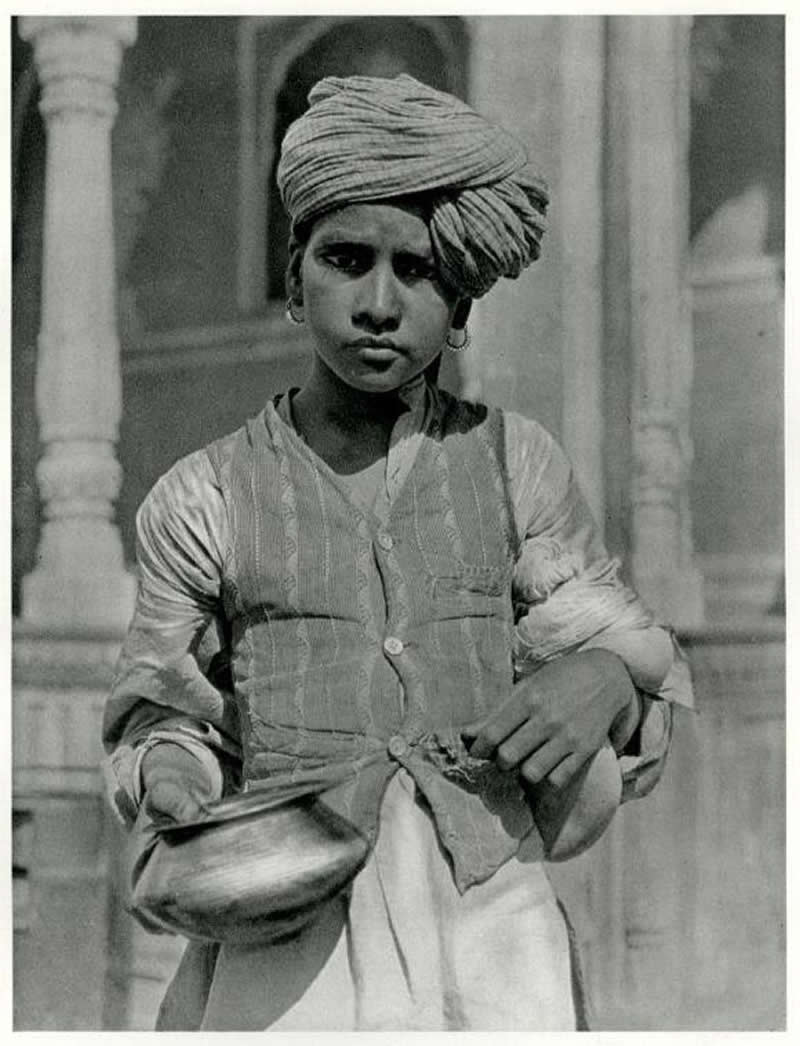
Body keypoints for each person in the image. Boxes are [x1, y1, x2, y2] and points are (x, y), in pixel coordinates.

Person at [102, 73, 692, 1031]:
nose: (379, 304)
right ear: (294, 277)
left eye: (417, 272)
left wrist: (607, 682)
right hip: (287, 942)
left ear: (459, 307)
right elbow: (160, 715)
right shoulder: (202, 496)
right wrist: (173, 780)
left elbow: (627, 656)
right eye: (346, 259)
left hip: (491, 929)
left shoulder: (515, 464)